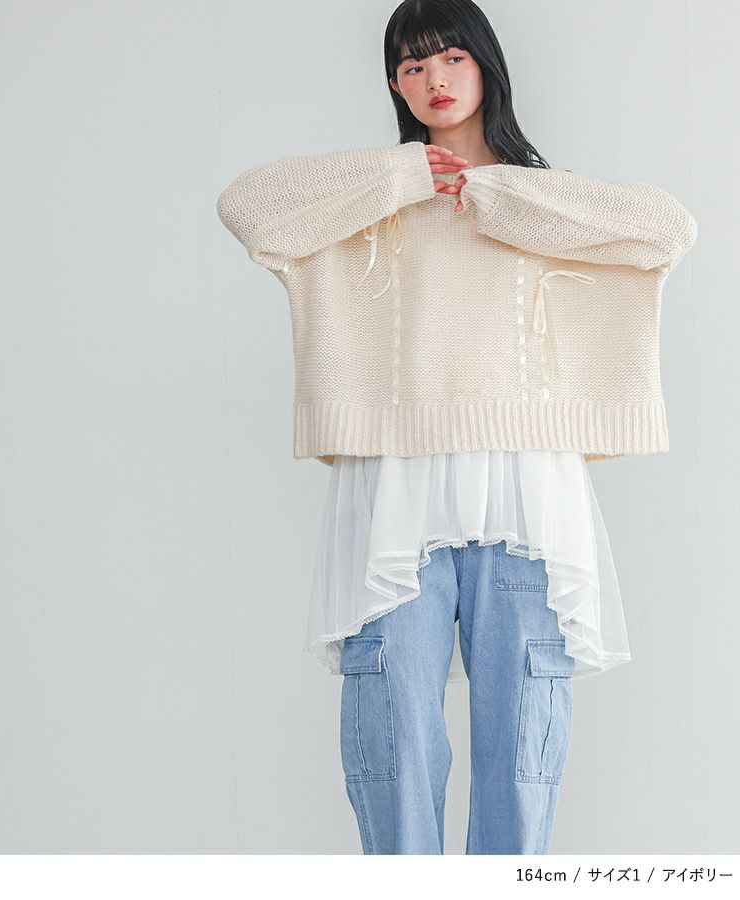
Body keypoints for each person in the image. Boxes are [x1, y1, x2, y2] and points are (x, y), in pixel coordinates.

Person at [215, 0, 697, 855]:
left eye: (450, 57)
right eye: (411, 65)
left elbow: (668, 229)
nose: (432, 78)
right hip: (395, 491)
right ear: (395, 85)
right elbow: (247, 205)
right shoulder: (370, 199)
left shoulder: (538, 198)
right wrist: (405, 178)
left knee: (520, 750)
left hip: (523, 492)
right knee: (392, 742)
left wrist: (498, 195)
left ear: (485, 64)